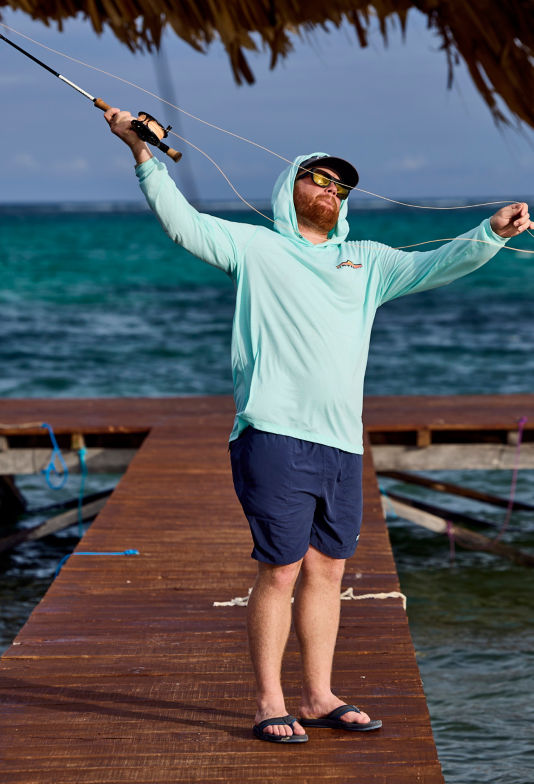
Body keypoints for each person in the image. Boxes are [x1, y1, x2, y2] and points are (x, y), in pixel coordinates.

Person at [104, 108, 533, 744]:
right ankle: (268, 701)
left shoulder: (368, 260)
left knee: (329, 569)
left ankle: (317, 695)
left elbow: (442, 263)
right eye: (318, 178)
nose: (330, 189)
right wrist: (140, 152)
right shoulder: (255, 247)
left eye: (340, 184)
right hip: (271, 432)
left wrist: (491, 233)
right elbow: (183, 224)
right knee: (279, 569)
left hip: (340, 441)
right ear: (291, 187)